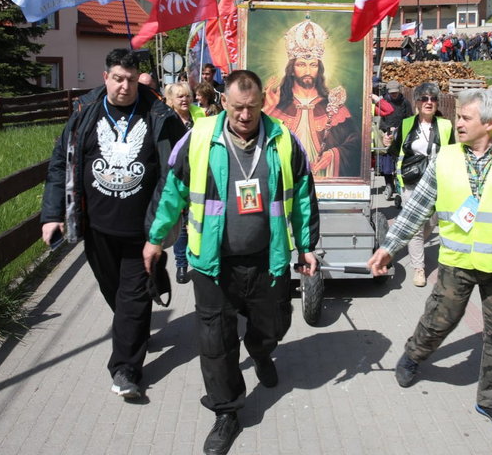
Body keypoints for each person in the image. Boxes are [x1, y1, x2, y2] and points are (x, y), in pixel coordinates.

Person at [143, 70, 320, 455]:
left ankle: (259, 349)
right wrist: (156, 239)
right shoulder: (200, 137)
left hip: (266, 258)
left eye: (252, 108)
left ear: (263, 104)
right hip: (212, 262)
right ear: (224, 102)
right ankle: (226, 411)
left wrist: (306, 246)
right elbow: (171, 189)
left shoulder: (283, 140)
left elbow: (303, 193)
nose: (244, 116)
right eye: (238, 107)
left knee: (275, 323)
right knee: (216, 342)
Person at [367, 88, 492, 434]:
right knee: (439, 321)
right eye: (457, 117)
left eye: (464, 118)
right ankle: (413, 355)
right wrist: (388, 247)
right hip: (456, 262)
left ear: (488, 123)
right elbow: (416, 208)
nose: (457, 123)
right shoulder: (446, 158)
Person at [40, 48, 186, 399]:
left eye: (131, 80)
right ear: (105, 77)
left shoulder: (159, 115)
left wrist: (164, 226)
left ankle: (125, 370)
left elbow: (174, 171)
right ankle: (134, 327)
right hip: (97, 228)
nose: (124, 87)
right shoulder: (85, 113)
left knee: (132, 300)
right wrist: (52, 214)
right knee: (116, 294)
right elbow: (62, 162)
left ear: (139, 79)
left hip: (142, 230)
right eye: (118, 79)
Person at [263, 18, 361, 178]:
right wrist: (267, 110)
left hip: (323, 180)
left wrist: (333, 154)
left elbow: (355, 142)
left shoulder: (334, 105)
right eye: (301, 64)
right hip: (287, 179)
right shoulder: (277, 105)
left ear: (319, 69)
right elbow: (258, 142)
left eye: (313, 65)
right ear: (292, 70)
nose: (308, 70)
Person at [386, 82, 454, 287]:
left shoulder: (445, 125)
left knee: (431, 222)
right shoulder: (407, 124)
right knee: (416, 227)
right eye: (424, 98)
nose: (429, 102)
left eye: (433, 99)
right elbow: (396, 150)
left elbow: (452, 153)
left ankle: (412, 245)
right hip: (411, 182)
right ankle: (419, 268)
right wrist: (388, 143)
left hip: (436, 182)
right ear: (416, 102)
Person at [165, 81, 207, 283]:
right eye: (180, 96)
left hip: (199, 175)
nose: (185, 99)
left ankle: (200, 260)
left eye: (187, 95)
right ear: (171, 100)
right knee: (181, 225)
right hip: (177, 177)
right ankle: (181, 264)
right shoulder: (166, 119)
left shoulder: (200, 114)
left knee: (199, 220)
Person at [371, 80, 414, 200]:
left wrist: (401, 129)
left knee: (400, 161)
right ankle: (389, 184)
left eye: (396, 92)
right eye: (392, 93)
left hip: (401, 133)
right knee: (387, 161)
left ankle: (401, 183)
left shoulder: (405, 102)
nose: (394, 95)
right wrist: (386, 129)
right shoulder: (384, 102)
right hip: (387, 134)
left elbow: (409, 117)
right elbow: (381, 120)